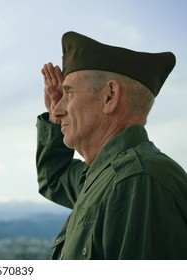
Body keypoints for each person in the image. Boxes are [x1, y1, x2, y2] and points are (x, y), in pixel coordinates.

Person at [36, 31, 187, 259]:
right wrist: (56, 122)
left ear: (110, 96)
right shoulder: (107, 174)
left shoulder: (137, 180)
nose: (56, 110)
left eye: (69, 94)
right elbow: (54, 178)